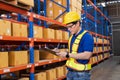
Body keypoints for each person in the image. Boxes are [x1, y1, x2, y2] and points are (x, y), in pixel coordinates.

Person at [54, 11, 94, 80]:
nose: (69, 29)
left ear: (78, 23)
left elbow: (87, 55)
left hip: (81, 74)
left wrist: (67, 54)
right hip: (70, 72)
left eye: (70, 26)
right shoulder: (72, 37)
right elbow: (73, 52)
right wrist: (60, 52)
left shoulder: (87, 37)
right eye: (67, 27)